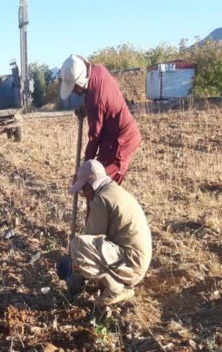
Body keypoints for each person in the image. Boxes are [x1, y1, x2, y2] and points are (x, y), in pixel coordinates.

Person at [66, 160, 152, 307]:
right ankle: (108, 282)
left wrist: (77, 273)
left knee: (78, 244)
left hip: (130, 265)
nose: (84, 194)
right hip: (137, 261)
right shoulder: (113, 190)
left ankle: (117, 289)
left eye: (83, 189)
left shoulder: (102, 199)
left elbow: (92, 239)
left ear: (90, 185)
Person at [60, 55, 142, 191]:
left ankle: (99, 211)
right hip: (109, 136)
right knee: (93, 184)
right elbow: (106, 101)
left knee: (97, 187)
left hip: (121, 141)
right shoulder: (98, 69)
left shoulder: (95, 100)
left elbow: (94, 137)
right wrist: (87, 109)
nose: (74, 91)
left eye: (74, 88)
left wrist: (83, 172)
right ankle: (95, 210)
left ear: (81, 81)